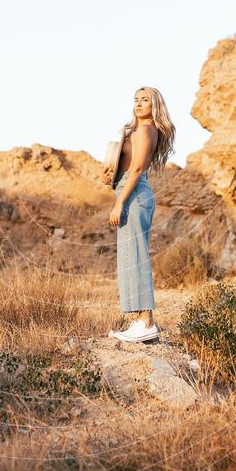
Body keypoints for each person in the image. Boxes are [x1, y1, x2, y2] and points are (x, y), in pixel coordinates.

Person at [101, 86, 176, 343]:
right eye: (136, 99)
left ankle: (146, 322)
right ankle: (140, 321)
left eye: (145, 100)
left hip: (133, 195)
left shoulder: (145, 130)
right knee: (130, 256)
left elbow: (137, 170)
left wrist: (119, 203)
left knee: (136, 256)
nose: (139, 103)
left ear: (155, 105)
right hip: (128, 191)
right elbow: (124, 169)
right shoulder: (135, 130)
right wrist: (109, 177)